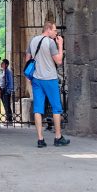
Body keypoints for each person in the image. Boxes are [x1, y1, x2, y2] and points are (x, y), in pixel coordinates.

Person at [24, 20, 70, 148]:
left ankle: (40, 139)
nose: (56, 33)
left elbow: (27, 59)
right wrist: (60, 45)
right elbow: (59, 61)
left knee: (38, 109)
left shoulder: (33, 41)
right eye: (55, 30)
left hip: (36, 79)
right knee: (56, 108)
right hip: (50, 78)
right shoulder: (50, 42)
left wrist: (30, 77)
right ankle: (58, 137)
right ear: (48, 29)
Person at [0, 59, 14, 124]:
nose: (1, 64)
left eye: (3, 63)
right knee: (5, 105)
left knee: (7, 105)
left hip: (6, 90)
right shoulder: (2, 71)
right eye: (1, 63)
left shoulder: (8, 72)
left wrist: (8, 90)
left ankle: (9, 120)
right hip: (2, 89)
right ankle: (8, 118)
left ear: (6, 65)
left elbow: (10, 82)